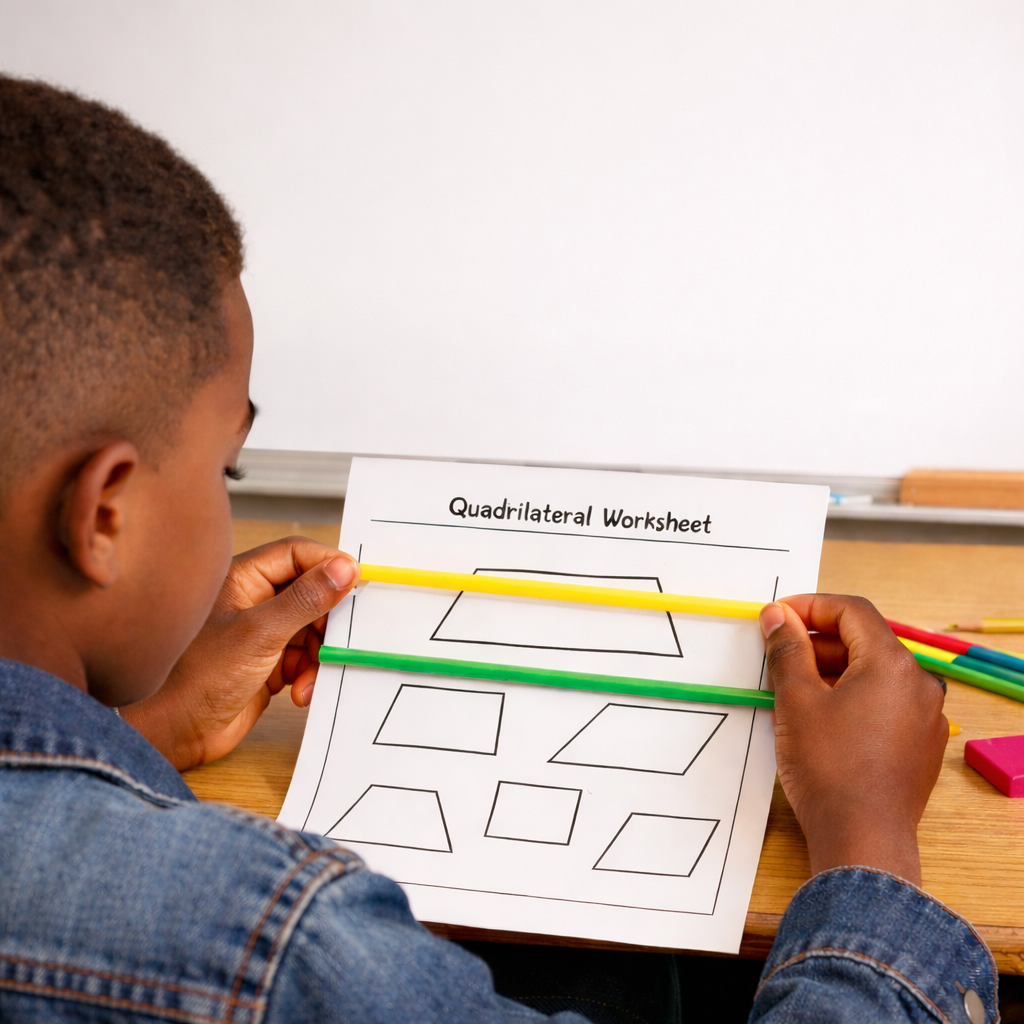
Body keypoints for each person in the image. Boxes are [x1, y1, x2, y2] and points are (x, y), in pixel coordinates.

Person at [0, 74, 998, 1024]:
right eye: (228, 467)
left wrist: (149, 729)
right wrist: (868, 832)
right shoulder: (270, 937)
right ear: (104, 514)